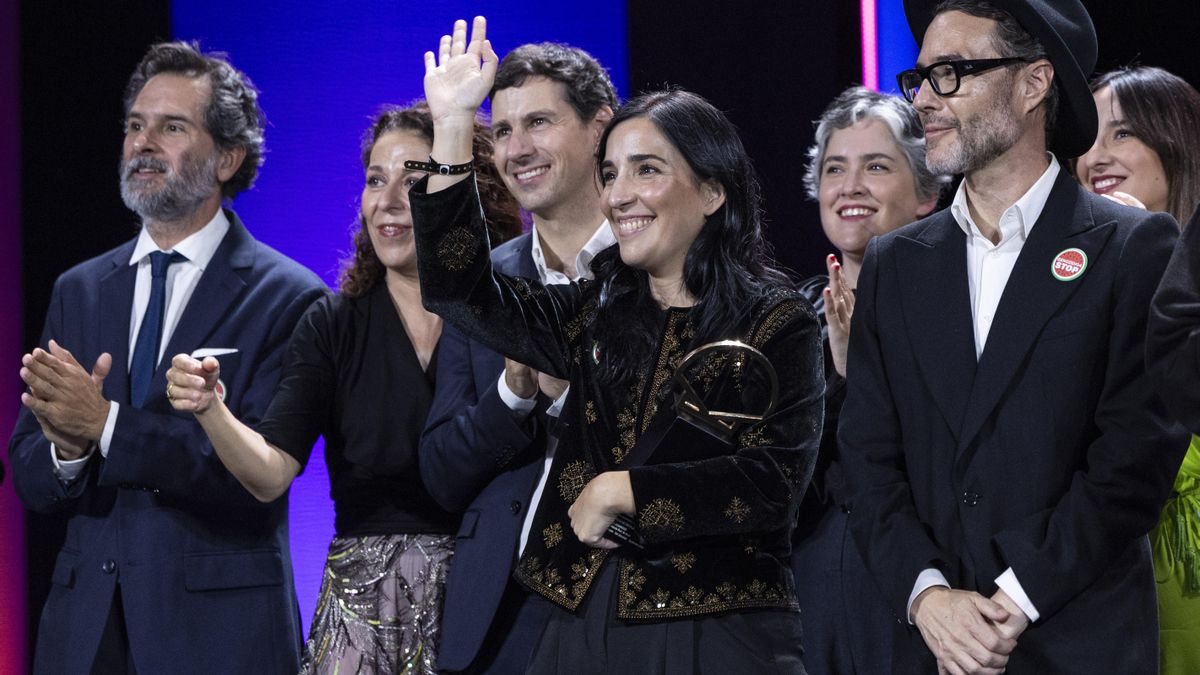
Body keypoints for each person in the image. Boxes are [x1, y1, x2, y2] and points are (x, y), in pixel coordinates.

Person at [411, 18, 824, 674]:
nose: (619, 194)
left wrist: (626, 490)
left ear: (712, 190)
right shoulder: (591, 314)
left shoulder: (777, 320)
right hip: (578, 628)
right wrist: (456, 125)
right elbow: (458, 288)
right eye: (610, 174)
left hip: (719, 633)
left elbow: (773, 484)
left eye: (646, 170)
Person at [839, 0, 1189, 672]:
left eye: (952, 73)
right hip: (931, 647)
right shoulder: (895, 262)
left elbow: (1133, 461)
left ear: (1033, 83)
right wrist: (928, 595)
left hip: (1077, 643)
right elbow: (867, 460)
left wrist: (1014, 600)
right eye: (920, 78)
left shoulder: (1132, 246)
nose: (925, 100)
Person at [165, 103, 522, 674]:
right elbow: (270, 473)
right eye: (376, 181)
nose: (388, 201)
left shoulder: (506, 313)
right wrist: (211, 409)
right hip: (365, 613)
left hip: (491, 600)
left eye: (413, 181)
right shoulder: (332, 324)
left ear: (461, 192)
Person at [8, 42, 327, 673]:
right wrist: (68, 451)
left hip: (217, 637)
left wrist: (105, 425)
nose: (143, 144)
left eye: (172, 127)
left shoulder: (290, 296)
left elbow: (255, 477)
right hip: (86, 634)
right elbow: (28, 471)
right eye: (135, 125)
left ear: (228, 158)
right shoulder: (80, 289)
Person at [417, 42, 618, 673]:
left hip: (628, 597)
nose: (517, 149)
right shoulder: (486, 286)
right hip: (505, 616)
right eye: (502, 131)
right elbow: (442, 474)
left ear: (600, 127)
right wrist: (514, 396)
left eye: (539, 122)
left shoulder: (657, 265)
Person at [791, 86, 943, 675]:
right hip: (810, 595)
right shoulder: (788, 318)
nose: (850, 186)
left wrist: (864, 373)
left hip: (920, 593)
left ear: (927, 192)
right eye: (835, 168)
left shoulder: (958, 310)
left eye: (876, 166)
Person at [1074, 65, 1200, 675]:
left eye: (1121, 134)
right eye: (1088, 138)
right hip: (1100, 573)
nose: (1096, 156)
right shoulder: (1064, 276)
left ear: (1176, 143)